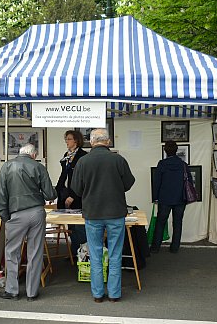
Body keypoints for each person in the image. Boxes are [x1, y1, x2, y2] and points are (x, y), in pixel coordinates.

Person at [71, 128, 135, 303]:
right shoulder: (118, 160)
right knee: (115, 254)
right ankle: (114, 294)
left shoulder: (83, 162)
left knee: (96, 254)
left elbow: (76, 189)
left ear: (91, 142)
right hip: (115, 213)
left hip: (93, 213)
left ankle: (98, 294)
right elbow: (129, 183)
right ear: (107, 142)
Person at [0, 143, 56, 301]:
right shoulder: (38, 167)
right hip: (36, 212)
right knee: (35, 252)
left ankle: (12, 291)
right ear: (34, 155)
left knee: (12, 253)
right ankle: (32, 292)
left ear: (20, 153)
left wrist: (4, 215)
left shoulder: (7, 166)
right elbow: (50, 194)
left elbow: (2, 194)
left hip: (15, 214)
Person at [150, 140, 194, 254]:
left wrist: (155, 197)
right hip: (180, 198)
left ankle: (155, 247)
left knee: (160, 223)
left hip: (164, 199)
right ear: (176, 150)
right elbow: (189, 180)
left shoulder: (162, 164)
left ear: (165, 150)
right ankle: (175, 247)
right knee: (178, 222)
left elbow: (157, 182)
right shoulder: (183, 164)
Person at [56, 130, 87, 256]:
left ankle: (83, 254)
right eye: (66, 139)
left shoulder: (82, 156)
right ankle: (74, 253)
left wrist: (73, 196)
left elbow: (82, 180)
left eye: (69, 139)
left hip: (77, 196)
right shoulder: (67, 156)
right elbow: (65, 176)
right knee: (71, 227)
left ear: (76, 140)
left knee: (79, 226)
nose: (66, 141)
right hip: (65, 194)